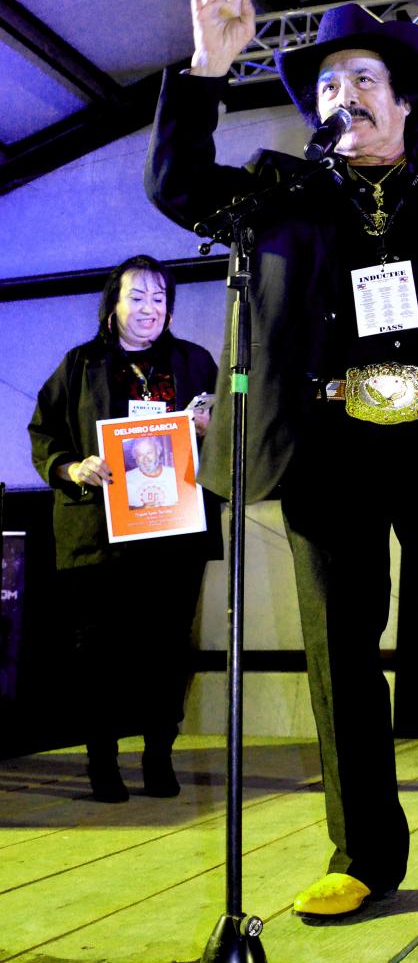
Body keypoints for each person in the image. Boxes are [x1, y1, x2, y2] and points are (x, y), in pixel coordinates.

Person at [145, 0, 418, 937]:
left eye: (362, 77)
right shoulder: (280, 190)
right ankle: (364, 856)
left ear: (405, 99)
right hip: (325, 450)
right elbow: (175, 186)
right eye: (329, 85)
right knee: (340, 659)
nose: (344, 96)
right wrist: (210, 66)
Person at [28, 255, 221, 803]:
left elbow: (229, 434)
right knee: (100, 652)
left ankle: (159, 756)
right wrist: (72, 468)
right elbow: (44, 434)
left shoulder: (194, 361)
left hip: (174, 532)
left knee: (168, 649)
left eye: (160, 298)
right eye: (137, 296)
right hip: (99, 534)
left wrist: (212, 428)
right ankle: (102, 763)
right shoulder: (80, 364)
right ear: (112, 304)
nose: (149, 308)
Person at [125, 435, 179, 508]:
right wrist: (140, 510)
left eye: (149, 452)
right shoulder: (126, 478)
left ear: (158, 451)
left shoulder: (174, 475)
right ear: (135, 456)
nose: (145, 458)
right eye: (140, 454)